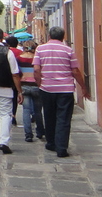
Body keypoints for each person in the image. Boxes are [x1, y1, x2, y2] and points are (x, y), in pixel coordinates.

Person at [33, 26, 88, 158]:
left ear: (49, 36)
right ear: (63, 37)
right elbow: (75, 71)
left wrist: (40, 83)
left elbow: (36, 69)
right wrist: (83, 86)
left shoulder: (40, 49)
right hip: (65, 90)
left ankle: (51, 143)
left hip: (46, 89)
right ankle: (61, 147)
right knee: (63, 118)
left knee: (49, 116)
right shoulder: (68, 50)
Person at [18, 40, 44, 142]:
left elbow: (16, 73)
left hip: (24, 86)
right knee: (38, 111)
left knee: (26, 110)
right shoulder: (38, 58)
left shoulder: (18, 58)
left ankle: (28, 134)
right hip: (36, 86)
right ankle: (40, 131)